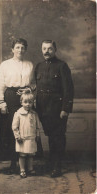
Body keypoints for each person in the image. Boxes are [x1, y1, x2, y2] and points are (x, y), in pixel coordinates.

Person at [0, 38, 35, 174]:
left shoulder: (30, 64)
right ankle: (13, 162)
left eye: (23, 47)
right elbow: (0, 84)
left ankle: (26, 162)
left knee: (26, 127)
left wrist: (28, 89)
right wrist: (1, 102)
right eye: (17, 47)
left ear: (25, 50)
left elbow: (34, 83)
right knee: (12, 128)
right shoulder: (5, 65)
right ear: (12, 49)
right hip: (10, 97)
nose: (20, 50)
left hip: (25, 98)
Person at [35, 40, 74, 177]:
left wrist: (66, 109)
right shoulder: (39, 66)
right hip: (42, 109)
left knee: (57, 137)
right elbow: (36, 88)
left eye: (50, 49)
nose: (46, 51)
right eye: (44, 48)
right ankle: (51, 163)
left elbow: (68, 90)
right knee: (50, 136)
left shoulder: (62, 66)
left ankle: (57, 166)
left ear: (55, 50)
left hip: (57, 109)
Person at [12, 89, 42, 178]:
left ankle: (30, 168)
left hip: (31, 138)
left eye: (30, 102)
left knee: (30, 154)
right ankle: (22, 170)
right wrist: (17, 136)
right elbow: (14, 126)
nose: (28, 104)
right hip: (22, 138)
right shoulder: (18, 114)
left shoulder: (34, 114)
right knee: (22, 155)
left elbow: (37, 126)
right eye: (25, 102)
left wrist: (37, 135)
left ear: (33, 103)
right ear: (21, 102)